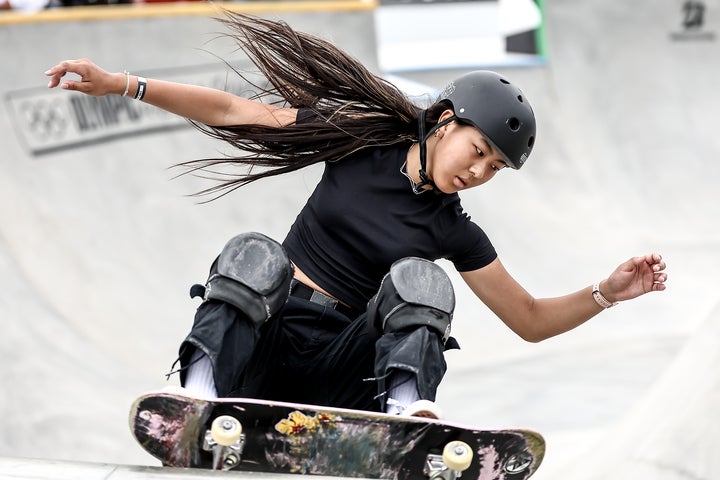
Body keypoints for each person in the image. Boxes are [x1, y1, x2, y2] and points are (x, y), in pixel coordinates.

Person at [45, 13, 667, 419]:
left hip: (343, 375)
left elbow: (529, 320)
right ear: (446, 122)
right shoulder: (357, 142)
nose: (479, 173)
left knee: (423, 280)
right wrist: (122, 84)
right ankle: (199, 395)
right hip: (261, 346)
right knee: (255, 252)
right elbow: (236, 111)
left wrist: (605, 293)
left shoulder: (454, 229)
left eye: (494, 169)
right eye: (478, 152)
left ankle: (405, 409)